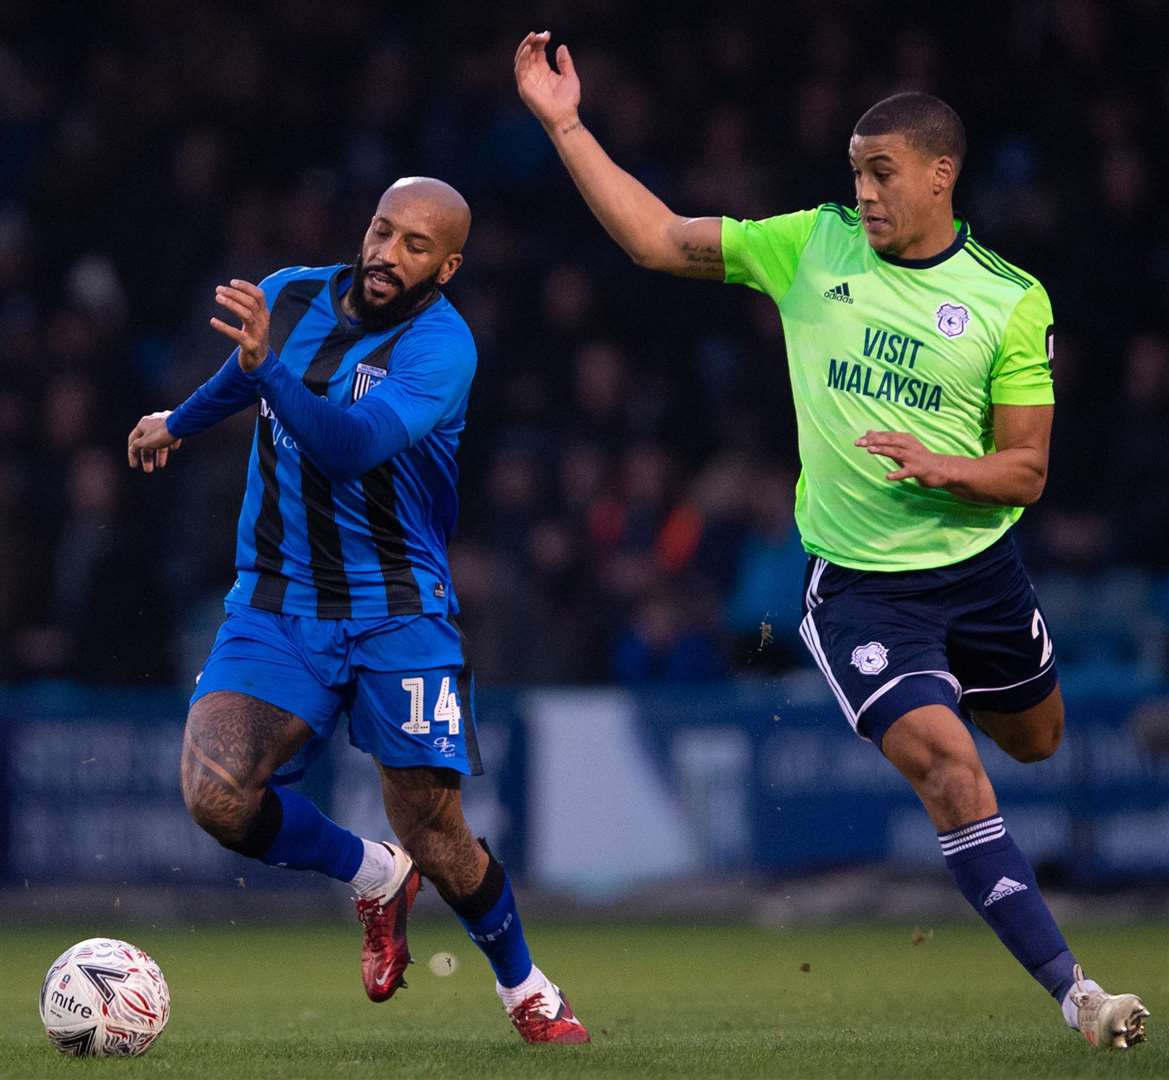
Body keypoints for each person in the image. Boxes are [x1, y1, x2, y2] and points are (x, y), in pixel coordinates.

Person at [515, 31, 1149, 1050]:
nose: (862, 191)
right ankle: (1077, 995)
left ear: (940, 175)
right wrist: (563, 123)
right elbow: (657, 238)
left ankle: (965, 708)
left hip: (980, 574)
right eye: (854, 172)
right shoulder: (809, 245)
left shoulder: (1004, 297)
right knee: (950, 771)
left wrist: (949, 469)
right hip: (859, 592)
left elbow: (1026, 471)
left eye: (882, 173)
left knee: (1036, 741)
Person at [126, 176, 588, 1046]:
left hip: (397, 609)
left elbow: (348, 447)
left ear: (447, 266)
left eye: (416, 246)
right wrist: (181, 420)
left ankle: (526, 988)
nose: (387, 254)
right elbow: (242, 375)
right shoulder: (288, 294)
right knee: (216, 795)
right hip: (276, 597)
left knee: (435, 827)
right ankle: (372, 874)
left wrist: (267, 374)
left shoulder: (442, 349)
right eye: (382, 231)